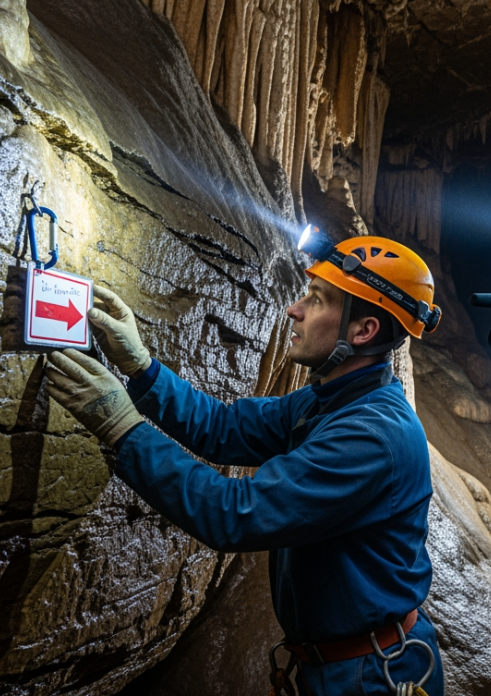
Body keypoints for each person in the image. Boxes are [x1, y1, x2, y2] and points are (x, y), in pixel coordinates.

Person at [42, 230, 446, 696]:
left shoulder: (371, 436)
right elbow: (223, 428)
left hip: (370, 675)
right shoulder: (329, 403)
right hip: (337, 664)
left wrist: (121, 428)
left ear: (362, 331)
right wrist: (142, 369)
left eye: (316, 299)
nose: (294, 309)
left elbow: (233, 514)